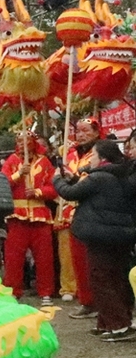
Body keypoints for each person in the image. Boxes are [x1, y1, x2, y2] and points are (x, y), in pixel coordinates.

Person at [54, 140, 136, 341]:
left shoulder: (100, 177)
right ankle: (110, 322)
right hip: (121, 234)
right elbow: (86, 190)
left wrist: (57, 180)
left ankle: (119, 325)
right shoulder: (122, 175)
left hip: (101, 235)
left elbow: (69, 193)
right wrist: (73, 178)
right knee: (116, 279)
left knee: (101, 280)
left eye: (94, 156)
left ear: (103, 159)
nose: (91, 160)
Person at [1, 132, 58, 306]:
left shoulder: (45, 162)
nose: (22, 144)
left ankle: (46, 292)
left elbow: (54, 187)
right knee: (13, 257)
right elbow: (3, 183)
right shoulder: (11, 161)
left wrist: (38, 192)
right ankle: (13, 291)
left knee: (44, 257)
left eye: (26, 141)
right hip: (17, 216)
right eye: (19, 141)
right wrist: (19, 174)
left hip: (40, 215)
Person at [54, 118, 99, 305]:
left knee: (92, 260)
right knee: (69, 255)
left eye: (85, 130)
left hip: (91, 211)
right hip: (68, 209)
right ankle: (74, 291)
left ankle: (93, 297)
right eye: (78, 131)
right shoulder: (70, 155)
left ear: (97, 132)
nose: (80, 135)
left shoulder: (99, 154)